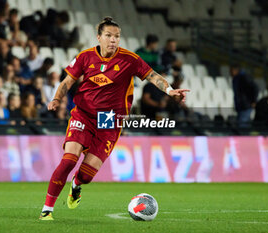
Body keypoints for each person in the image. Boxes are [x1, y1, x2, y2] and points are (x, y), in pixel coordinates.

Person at [39, 17, 189, 220]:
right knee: (68, 160)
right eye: (108, 36)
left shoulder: (129, 59)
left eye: (116, 36)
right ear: (99, 37)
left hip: (110, 121)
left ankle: (76, 185)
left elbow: (153, 76)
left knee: (86, 175)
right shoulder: (85, 57)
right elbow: (67, 81)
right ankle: (47, 210)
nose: (113, 40)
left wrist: (170, 91)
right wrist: (56, 99)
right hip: (83, 114)